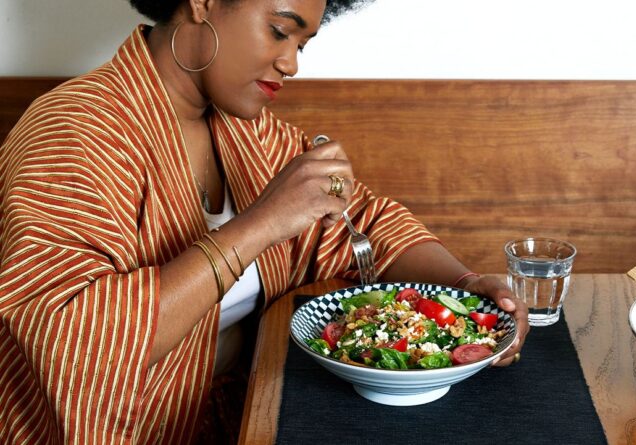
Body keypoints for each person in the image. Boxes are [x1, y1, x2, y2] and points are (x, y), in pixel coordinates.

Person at [0, 0, 530, 442]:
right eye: (279, 31)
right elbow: (75, 336)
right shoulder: (71, 132)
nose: (292, 63)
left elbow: (364, 220)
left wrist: (465, 286)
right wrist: (261, 223)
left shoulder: (245, 131)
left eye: (302, 44)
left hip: (248, 418)